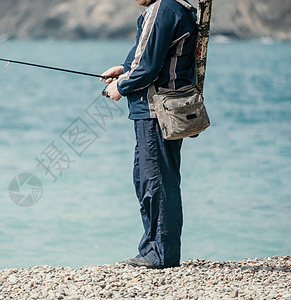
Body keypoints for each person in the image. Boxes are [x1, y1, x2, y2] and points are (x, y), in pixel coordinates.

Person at [100, 0, 197, 269]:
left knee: (156, 181)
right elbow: (147, 57)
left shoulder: (163, 9)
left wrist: (122, 87)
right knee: (147, 178)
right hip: (158, 110)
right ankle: (152, 249)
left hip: (156, 110)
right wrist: (123, 69)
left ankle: (161, 255)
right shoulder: (174, 7)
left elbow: (147, 69)